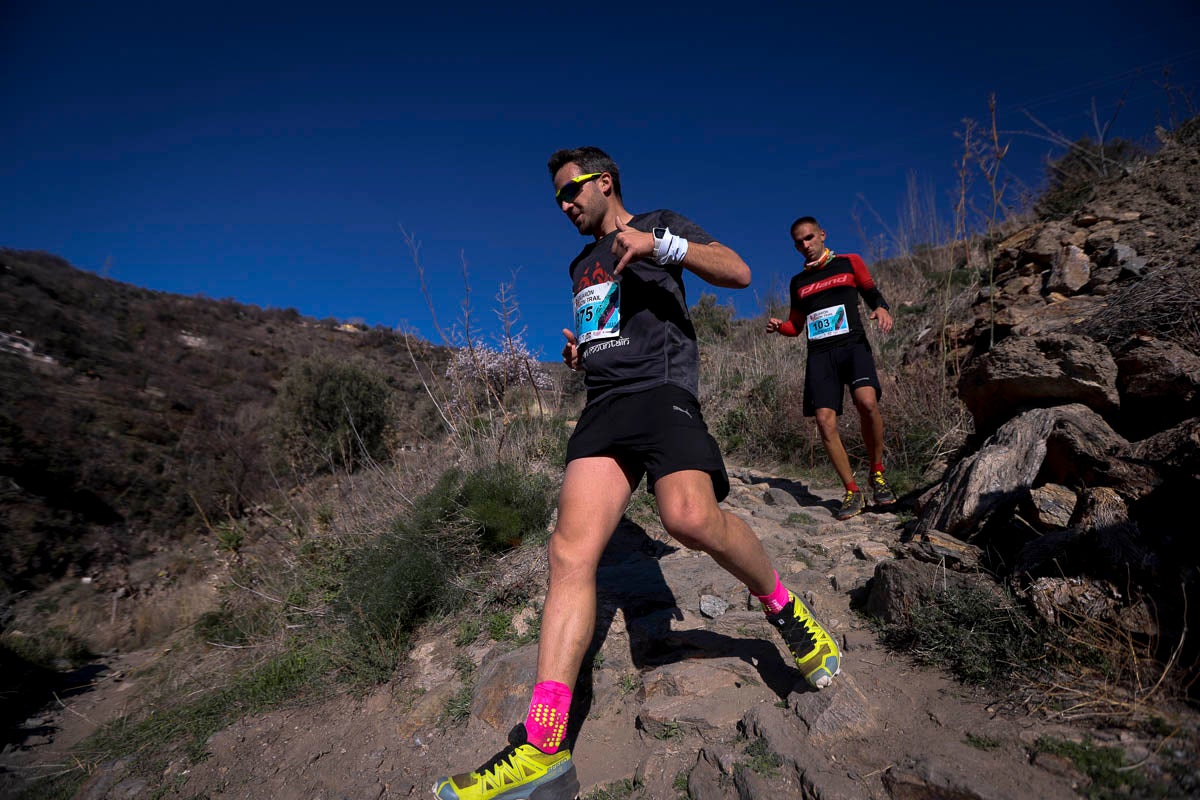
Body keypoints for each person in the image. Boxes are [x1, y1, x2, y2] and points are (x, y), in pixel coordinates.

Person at [432, 149, 841, 800]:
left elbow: (736, 271)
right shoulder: (578, 265)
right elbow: (608, 331)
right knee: (568, 553)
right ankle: (543, 750)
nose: (565, 204)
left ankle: (787, 612)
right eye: (557, 198)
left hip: (662, 391)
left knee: (689, 518)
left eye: (572, 191)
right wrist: (583, 350)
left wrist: (661, 245)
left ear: (606, 182)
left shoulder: (657, 223)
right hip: (604, 406)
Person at [765, 216, 896, 521]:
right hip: (820, 356)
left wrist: (881, 307)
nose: (805, 245)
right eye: (798, 242)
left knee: (867, 402)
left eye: (809, 238)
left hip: (853, 347)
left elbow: (871, 292)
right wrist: (779, 327)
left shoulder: (850, 262)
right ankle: (851, 490)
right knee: (825, 422)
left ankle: (877, 474)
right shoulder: (798, 282)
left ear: (822, 234)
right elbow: (796, 325)